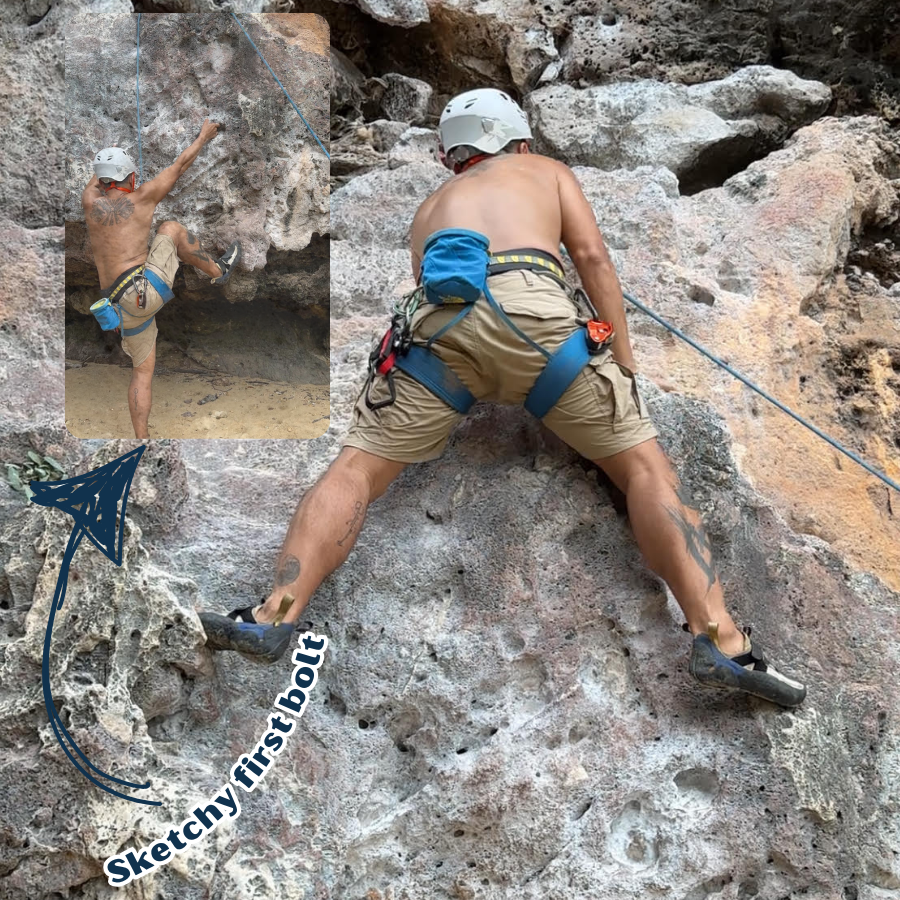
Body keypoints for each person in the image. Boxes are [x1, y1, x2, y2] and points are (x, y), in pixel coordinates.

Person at [200, 90, 806, 708]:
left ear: (451, 154)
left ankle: (273, 613)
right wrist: (622, 366)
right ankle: (722, 641)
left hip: (439, 335)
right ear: (517, 140)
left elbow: (430, 289)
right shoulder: (543, 171)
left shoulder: (431, 207)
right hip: (539, 324)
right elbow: (592, 259)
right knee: (645, 470)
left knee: (355, 467)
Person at [81, 118, 242, 439]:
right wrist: (203, 135)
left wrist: (107, 168)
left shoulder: (88, 202)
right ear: (132, 177)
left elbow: (96, 180)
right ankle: (219, 272)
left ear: (101, 181)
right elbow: (180, 165)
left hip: (117, 311)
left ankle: (142, 439)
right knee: (170, 229)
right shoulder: (143, 197)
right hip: (143, 292)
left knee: (142, 372)